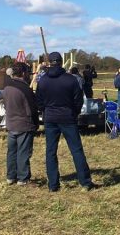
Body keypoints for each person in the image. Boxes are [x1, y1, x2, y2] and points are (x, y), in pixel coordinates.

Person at [37, 52, 95, 192]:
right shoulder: (70, 80)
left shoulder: (43, 80)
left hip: (50, 118)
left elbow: (39, 102)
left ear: (49, 62)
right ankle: (85, 183)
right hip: (68, 117)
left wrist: (46, 111)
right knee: (76, 150)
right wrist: (74, 113)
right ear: (61, 62)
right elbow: (78, 100)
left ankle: (53, 185)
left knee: (51, 151)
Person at [5, 62, 39, 185]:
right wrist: (36, 123)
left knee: (11, 152)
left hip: (11, 123)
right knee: (23, 152)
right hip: (24, 124)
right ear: (24, 73)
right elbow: (32, 109)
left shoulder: (7, 86)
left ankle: (10, 176)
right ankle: (23, 178)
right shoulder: (25, 89)